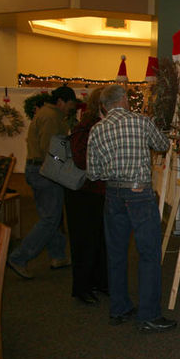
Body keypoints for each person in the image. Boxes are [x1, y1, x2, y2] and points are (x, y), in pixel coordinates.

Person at [87, 84, 176, 333]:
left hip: (112, 195)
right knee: (148, 254)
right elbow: (163, 145)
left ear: (104, 106)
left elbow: (93, 173)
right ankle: (148, 315)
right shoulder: (141, 121)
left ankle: (119, 308)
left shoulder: (97, 130)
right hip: (139, 194)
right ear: (125, 99)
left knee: (116, 254)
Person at [8, 85, 77, 279]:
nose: (71, 108)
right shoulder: (51, 117)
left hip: (37, 170)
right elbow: (50, 148)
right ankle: (19, 257)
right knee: (50, 219)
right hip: (45, 172)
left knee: (50, 216)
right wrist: (66, 166)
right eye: (70, 104)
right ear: (61, 101)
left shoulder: (48, 114)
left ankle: (58, 256)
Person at [64, 87, 108, 305]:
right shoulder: (87, 127)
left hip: (96, 193)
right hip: (83, 193)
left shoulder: (95, 125)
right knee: (84, 242)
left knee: (99, 240)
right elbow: (81, 159)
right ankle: (82, 287)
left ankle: (98, 282)